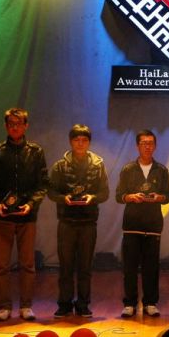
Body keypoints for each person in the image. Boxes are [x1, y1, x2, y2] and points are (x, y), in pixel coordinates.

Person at [0, 107, 48, 321]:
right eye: (11, 124)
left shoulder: (36, 152)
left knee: (28, 265)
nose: (15, 127)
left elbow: (42, 185)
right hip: (2, 218)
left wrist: (31, 204)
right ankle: (4, 307)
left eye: (19, 124)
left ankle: (26, 306)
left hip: (27, 217)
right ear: (6, 126)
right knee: (2, 266)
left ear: (26, 126)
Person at [48, 124, 110, 318]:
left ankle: (83, 304)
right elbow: (51, 191)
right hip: (66, 222)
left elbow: (105, 193)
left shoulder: (98, 165)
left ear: (89, 142)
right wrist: (63, 198)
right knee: (65, 267)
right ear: (70, 141)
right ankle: (65, 304)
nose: (80, 143)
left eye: (84, 140)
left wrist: (93, 197)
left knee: (85, 267)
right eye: (77, 140)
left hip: (88, 222)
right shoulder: (60, 166)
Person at [115, 129, 169, 318]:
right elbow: (118, 196)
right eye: (144, 143)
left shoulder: (161, 170)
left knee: (151, 267)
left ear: (155, 146)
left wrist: (159, 197)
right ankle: (129, 303)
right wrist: (130, 197)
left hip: (153, 225)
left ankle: (150, 302)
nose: (147, 146)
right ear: (137, 146)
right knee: (130, 267)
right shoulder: (128, 169)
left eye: (150, 143)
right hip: (132, 225)